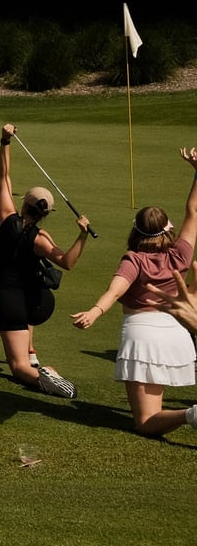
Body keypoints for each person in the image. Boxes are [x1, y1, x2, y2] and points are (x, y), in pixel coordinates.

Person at [72, 147, 197, 437]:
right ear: (167, 230)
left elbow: (115, 290)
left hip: (142, 335)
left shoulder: (133, 259)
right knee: (152, 412)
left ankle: (191, 415)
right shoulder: (179, 253)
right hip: (176, 332)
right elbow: (193, 211)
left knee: (146, 422)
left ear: (136, 231)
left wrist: (94, 312)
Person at [0, 124, 90, 398]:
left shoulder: (6, 218)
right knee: (25, 348)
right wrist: (82, 235)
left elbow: (4, 176)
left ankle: (44, 377)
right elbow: (67, 262)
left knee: (18, 368)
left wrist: (5, 141)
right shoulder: (41, 239)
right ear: (46, 213)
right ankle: (32, 353)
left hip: (10, 300)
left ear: (24, 203)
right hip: (37, 302)